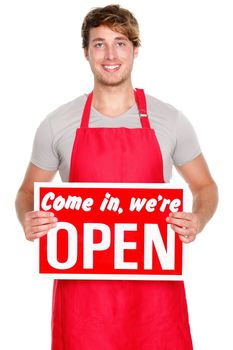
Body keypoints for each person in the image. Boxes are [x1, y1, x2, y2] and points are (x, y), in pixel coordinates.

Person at [15, 4, 218, 350]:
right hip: (84, 301)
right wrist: (27, 219)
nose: (110, 54)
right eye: (99, 43)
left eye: (120, 43)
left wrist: (198, 218)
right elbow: (26, 193)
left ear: (136, 50)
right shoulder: (57, 124)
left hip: (155, 299)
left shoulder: (170, 120)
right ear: (85, 52)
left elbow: (205, 186)